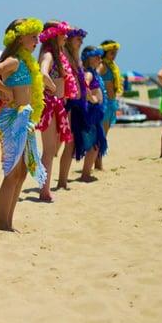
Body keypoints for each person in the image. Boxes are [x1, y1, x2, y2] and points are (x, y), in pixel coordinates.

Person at [0, 18, 47, 231]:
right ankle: (2, 223)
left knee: (22, 172)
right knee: (12, 172)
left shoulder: (26, 61)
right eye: (33, 36)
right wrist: (5, 89)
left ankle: (8, 222)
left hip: (25, 119)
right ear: (19, 38)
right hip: (13, 119)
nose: (37, 40)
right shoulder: (14, 61)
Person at [37, 21, 76, 201]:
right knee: (48, 150)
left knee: (51, 149)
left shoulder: (57, 54)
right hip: (50, 105)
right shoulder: (48, 54)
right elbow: (42, 73)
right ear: (54, 35)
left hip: (57, 104)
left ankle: (44, 188)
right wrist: (52, 88)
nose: (66, 37)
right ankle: (44, 190)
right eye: (63, 34)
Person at [57, 26, 89, 189]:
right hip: (69, 103)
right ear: (69, 39)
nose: (81, 42)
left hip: (78, 103)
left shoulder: (76, 58)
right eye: (78, 39)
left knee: (72, 143)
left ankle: (63, 179)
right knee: (68, 142)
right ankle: (62, 181)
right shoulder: (64, 55)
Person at [81, 47, 108, 180]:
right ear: (88, 58)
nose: (99, 59)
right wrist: (93, 99)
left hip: (95, 113)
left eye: (100, 56)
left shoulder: (94, 72)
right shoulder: (89, 73)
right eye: (96, 56)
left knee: (95, 143)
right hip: (91, 113)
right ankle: (85, 173)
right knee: (93, 145)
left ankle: (87, 172)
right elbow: (84, 86)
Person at [96, 39, 123, 170]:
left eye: (115, 53)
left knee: (104, 134)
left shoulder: (112, 66)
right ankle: (98, 163)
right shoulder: (103, 66)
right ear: (105, 52)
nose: (114, 55)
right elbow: (94, 75)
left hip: (111, 103)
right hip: (105, 103)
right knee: (102, 134)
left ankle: (98, 162)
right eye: (111, 53)